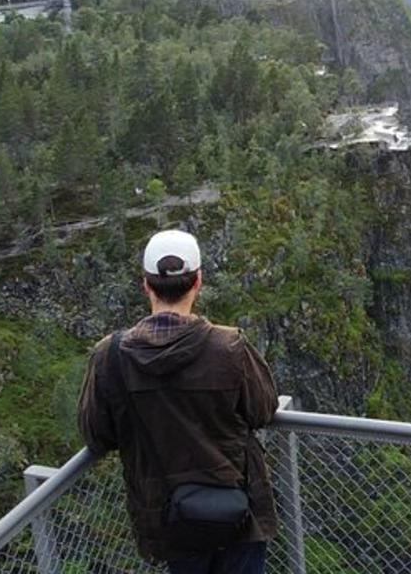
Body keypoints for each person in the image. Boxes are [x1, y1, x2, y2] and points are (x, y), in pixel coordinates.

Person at [78, 229, 279, 573]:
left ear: (146, 285)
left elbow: (98, 435)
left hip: (169, 517)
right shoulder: (228, 347)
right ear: (198, 281)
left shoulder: (111, 356)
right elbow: (262, 409)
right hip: (238, 511)